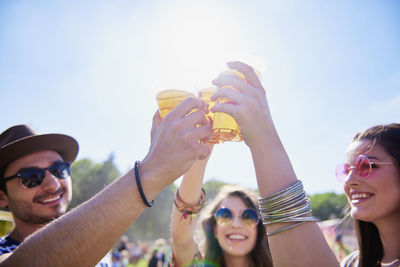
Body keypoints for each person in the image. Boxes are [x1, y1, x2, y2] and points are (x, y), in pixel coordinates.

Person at [209, 61, 400, 266]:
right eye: (346, 170)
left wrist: (263, 136)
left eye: (366, 166)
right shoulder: (351, 263)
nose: (350, 181)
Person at [0, 96, 212, 267]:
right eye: (31, 178)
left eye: (59, 170)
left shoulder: (100, 250)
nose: (53, 184)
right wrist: (151, 170)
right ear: (2, 197)